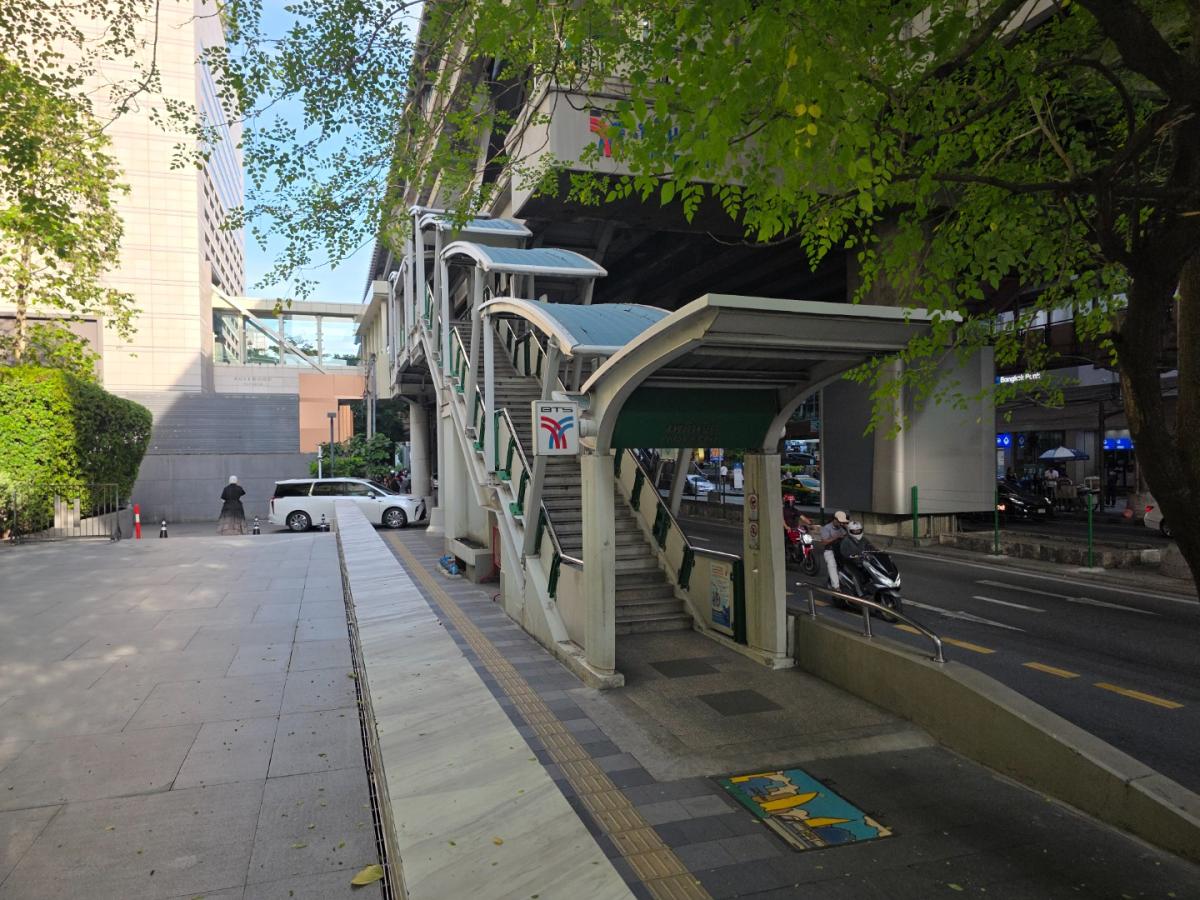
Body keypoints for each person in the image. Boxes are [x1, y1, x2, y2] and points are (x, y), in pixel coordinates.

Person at [819, 510, 850, 590]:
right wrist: (836, 537)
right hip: (830, 550)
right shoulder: (826, 528)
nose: (841, 524)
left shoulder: (842, 527)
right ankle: (836, 587)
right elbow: (824, 542)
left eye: (842, 522)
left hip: (841, 550)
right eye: (840, 522)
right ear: (835, 519)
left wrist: (847, 528)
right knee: (832, 565)